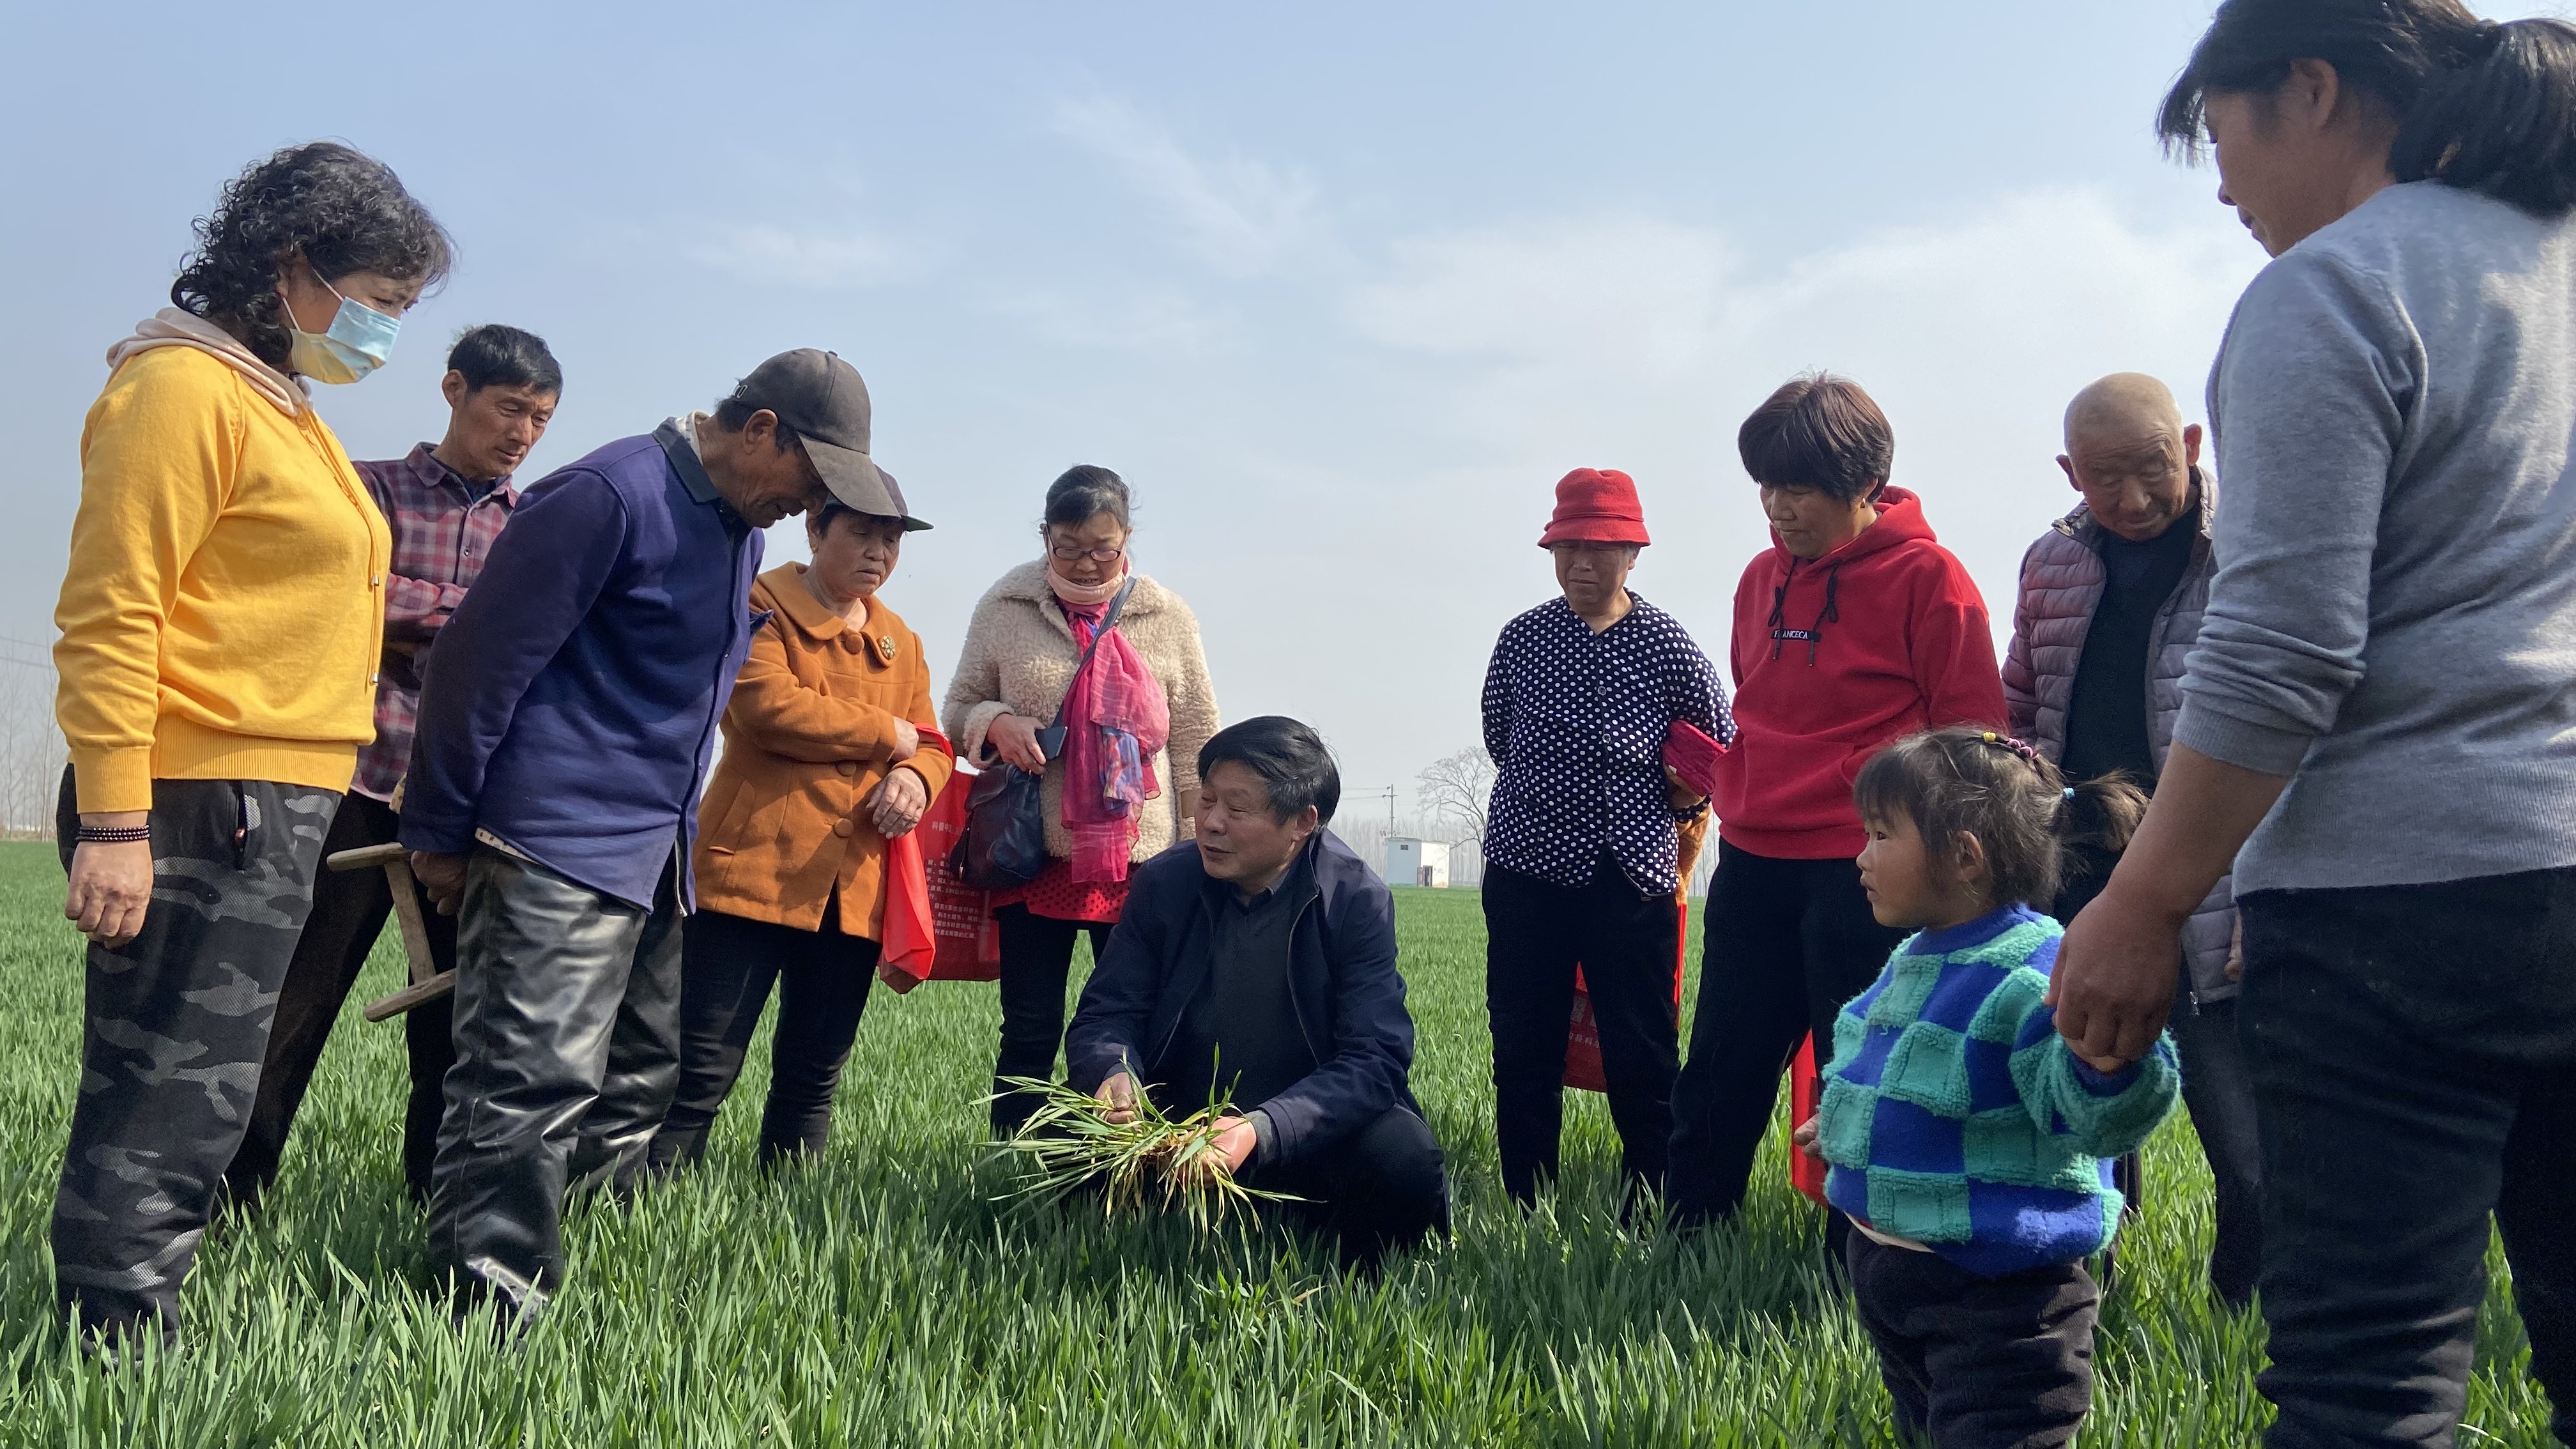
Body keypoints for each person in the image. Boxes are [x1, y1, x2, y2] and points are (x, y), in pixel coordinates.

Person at [2048, 4, 2576, 1443]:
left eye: (2221, 137)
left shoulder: (2338, 290)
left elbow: (2282, 655)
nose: (2223, 189)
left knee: (2370, 1382)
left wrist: (2142, 901)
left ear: (2315, 91)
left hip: (2400, 911)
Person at [47, 141, 447, 1349]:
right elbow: (115, 609)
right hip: (195, 794)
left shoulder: (276, 400)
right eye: (375, 303)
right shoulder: (181, 390)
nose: (382, 333)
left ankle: (133, 1324)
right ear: (291, 266)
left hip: (270, 798)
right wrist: (116, 819)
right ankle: (114, 1348)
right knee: (164, 1092)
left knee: (204, 1096)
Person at [399, 348, 880, 1324]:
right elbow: (471, 669)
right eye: (811, 479)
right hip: (556, 840)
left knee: (636, 1080)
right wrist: (442, 831)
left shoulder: (735, 524)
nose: (808, 506)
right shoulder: (609, 497)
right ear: (759, 433)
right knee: (528, 1085)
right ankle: (482, 1320)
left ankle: (586, 1280)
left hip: (656, 851)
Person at [222, 324, 562, 1211]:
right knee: (292, 1004)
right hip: (356, 787)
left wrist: (420, 617)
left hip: (467, 805)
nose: (523, 432)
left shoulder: (539, 530)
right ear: (453, 390)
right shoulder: (367, 490)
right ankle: (231, 1201)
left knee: (457, 1027)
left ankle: (433, 1208)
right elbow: (328, 593)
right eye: (508, 407)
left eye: (541, 417)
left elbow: (543, 647)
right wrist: (466, 621)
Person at [1667, 373, 2007, 1236]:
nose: (1779, 508)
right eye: (1767, 489)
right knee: (1723, 1062)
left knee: (1866, 1069)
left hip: (1870, 868)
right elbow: (1757, 702)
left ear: (1864, 484)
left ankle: (1859, 1253)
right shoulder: (1758, 580)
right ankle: (1687, 1239)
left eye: (1801, 488)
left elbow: (1973, 736)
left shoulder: (1933, 579)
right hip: (1752, 857)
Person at [1805, 728, 2178, 1449]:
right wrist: (1852, 1129)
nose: (1861, 857)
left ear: (1965, 855)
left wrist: (2105, 1068)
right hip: (1898, 1277)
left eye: (1882, 835)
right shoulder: (1919, 954)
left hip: (1999, 1300)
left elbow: (2089, 1117)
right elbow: (1905, 1075)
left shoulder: (2033, 973)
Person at [1999, 372, 2260, 1310]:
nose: (2136, 498)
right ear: (2072, 472)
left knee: (2247, 1138)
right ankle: (2089, 1303)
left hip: (2216, 882)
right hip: (2082, 877)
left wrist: (2267, 888)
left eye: (2154, 468)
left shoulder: (2251, 549)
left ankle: (2247, 1323)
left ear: (2191, 443)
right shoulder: (2051, 564)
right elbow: (2023, 703)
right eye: (2107, 478)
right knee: (2090, 1104)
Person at [1064, 716, 1448, 1268]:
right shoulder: (1164, 883)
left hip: (1300, 1129)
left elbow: (1376, 1060)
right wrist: (1113, 1073)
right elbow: (1108, 1011)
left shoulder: (1355, 899)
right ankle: (1163, 1229)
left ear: (1301, 822)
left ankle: (1341, 1267)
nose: (1211, 823)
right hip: (1178, 1127)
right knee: (1066, 1131)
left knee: (1403, 1160)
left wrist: (1260, 1129)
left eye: (1237, 809)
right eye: (1207, 800)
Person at [647, 482, 949, 1172]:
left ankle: (788, 1217)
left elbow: (934, 744)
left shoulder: (900, 640)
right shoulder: (759, 602)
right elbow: (766, 709)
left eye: (892, 540)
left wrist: (913, 776)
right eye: (864, 534)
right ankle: (646, 1217)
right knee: (698, 1072)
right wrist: (891, 736)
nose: (879, 553)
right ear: (815, 531)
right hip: (749, 874)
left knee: (813, 1079)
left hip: (852, 894)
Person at [1477, 468, 1731, 1208]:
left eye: (1601, 549)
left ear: (1633, 555)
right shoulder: (1524, 638)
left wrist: (1669, 798)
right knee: (1523, 1042)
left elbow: (1717, 744)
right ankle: (1528, 1195)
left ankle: (1650, 1194)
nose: (1581, 564)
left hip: (1630, 877)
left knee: (1642, 1048)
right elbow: (1500, 735)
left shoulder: (1665, 644)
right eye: (1567, 548)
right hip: (1527, 866)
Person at [942, 466, 1221, 1137]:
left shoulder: (1167, 616)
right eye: (1067, 547)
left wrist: (1198, 852)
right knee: (1030, 1028)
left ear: (1127, 536)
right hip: (1031, 855)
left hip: (1140, 862)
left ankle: (1130, 1169)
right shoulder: (1007, 605)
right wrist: (995, 723)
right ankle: (1019, 1167)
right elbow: (957, 708)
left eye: (1102, 546)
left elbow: (1195, 743)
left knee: (1138, 1022)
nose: (1087, 563)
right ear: (1045, 535)